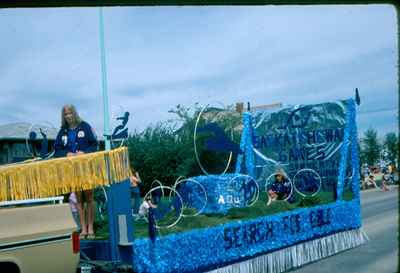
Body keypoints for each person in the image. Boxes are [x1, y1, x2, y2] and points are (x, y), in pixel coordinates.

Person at [54, 104, 98, 239]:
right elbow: (57, 149)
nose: (68, 116)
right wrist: (66, 154)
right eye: (66, 114)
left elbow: (94, 144)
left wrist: (84, 153)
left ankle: (91, 227)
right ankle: (83, 228)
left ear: (75, 113)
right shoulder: (63, 131)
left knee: (89, 198)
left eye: (70, 113)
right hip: (73, 169)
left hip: (86, 167)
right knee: (78, 199)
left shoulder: (85, 126)